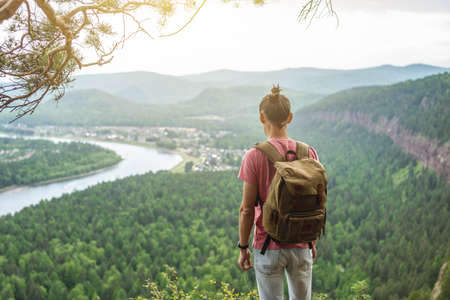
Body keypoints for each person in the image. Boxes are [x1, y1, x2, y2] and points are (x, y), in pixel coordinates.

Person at [237, 84, 319, 300]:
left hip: (267, 245)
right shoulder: (308, 152)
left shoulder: (254, 156)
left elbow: (246, 210)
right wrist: (312, 241)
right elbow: (316, 200)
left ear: (262, 117)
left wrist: (243, 247)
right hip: (302, 243)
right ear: (290, 117)